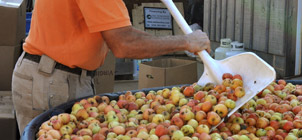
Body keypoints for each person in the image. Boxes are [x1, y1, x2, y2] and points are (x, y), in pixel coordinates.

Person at [12, 0, 211, 135]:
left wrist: (184, 41)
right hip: (51, 80)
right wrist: (185, 42)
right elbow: (124, 44)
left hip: (53, 75)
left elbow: (123, 33)